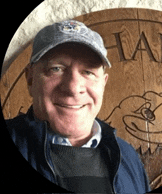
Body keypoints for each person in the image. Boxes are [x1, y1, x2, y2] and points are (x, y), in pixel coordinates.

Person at [6, 20, 150, 193]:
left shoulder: (128, 156)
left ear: (103, 84)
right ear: (30, 79)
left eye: (88, 72)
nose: (73, 88)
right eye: (56, 69)